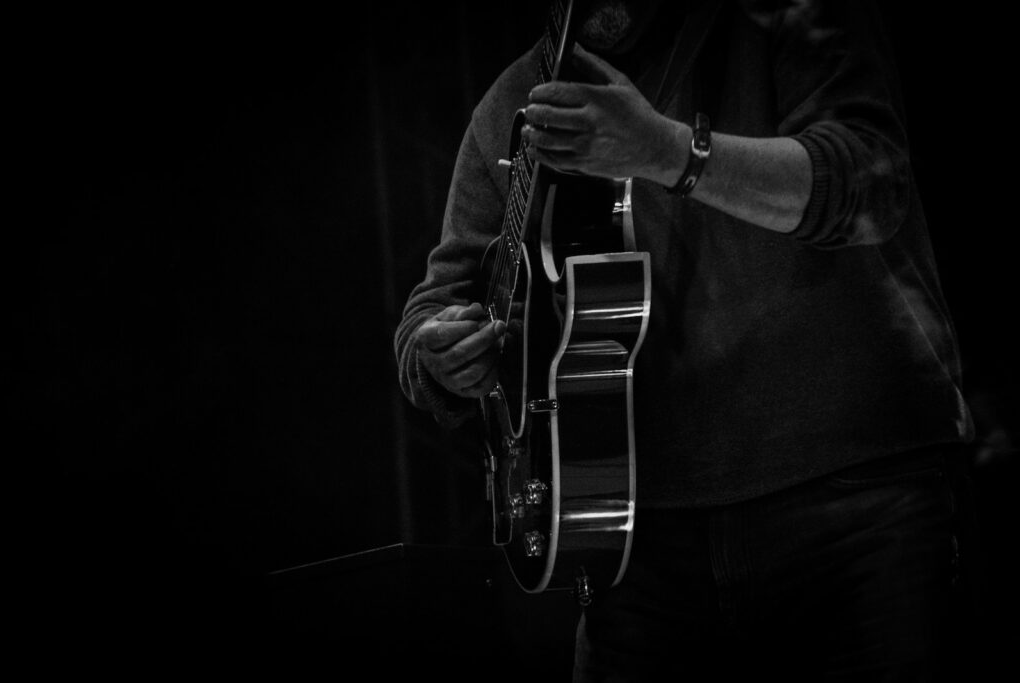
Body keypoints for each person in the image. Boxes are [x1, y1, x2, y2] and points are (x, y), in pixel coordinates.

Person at [394, 0, 976, 680]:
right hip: (634, 544)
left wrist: (668, 151)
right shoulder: (517, 97)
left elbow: (869, 181)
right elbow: (435, 304)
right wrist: (440, 354)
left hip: (858, 502)